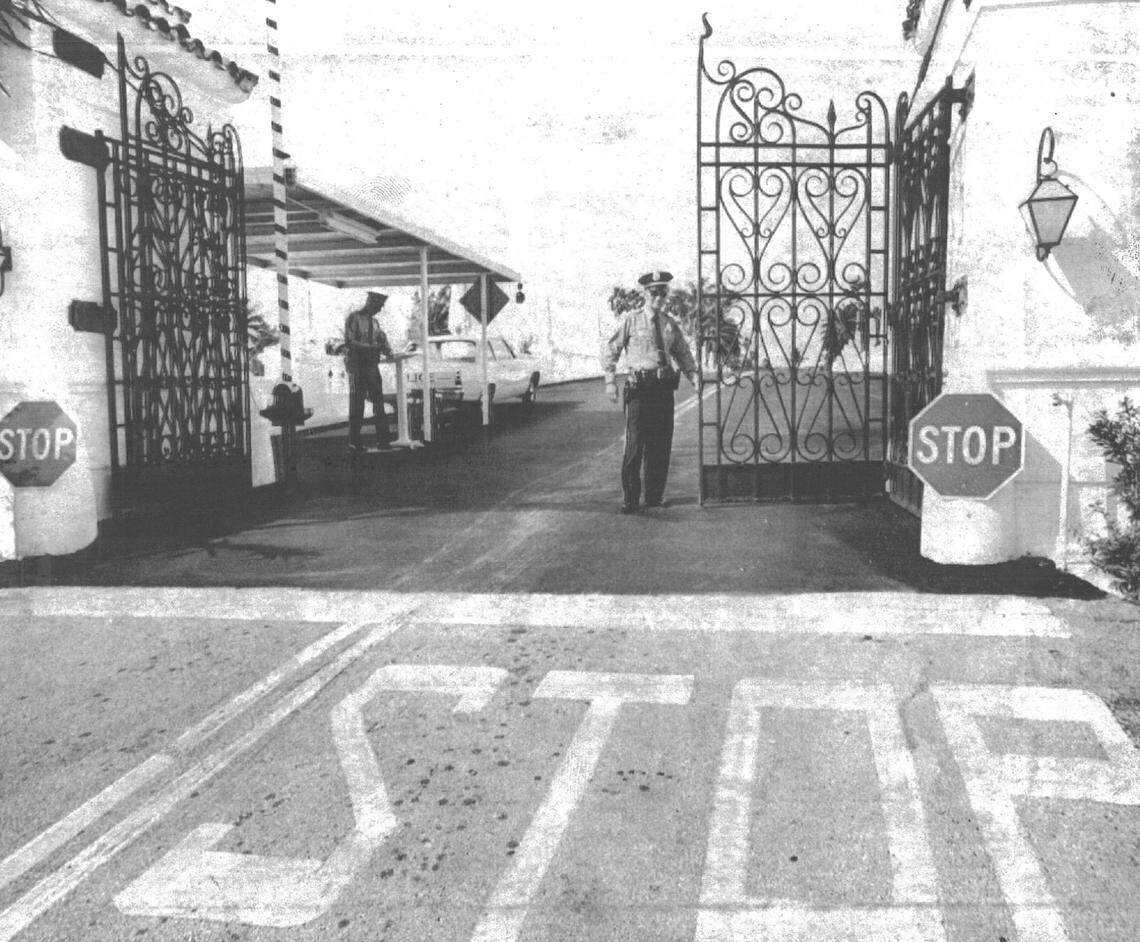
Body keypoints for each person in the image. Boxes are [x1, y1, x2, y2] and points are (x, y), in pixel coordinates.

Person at [602, 270, 698, 514]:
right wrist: (610, 381)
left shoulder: (669, 324)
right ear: (645, 294)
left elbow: (683, 352)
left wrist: (694, 376)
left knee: (661, 445)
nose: (659, 297)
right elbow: (611, 349)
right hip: (639, 390)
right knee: (635, 445)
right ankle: (631, 499)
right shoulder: (632, 321)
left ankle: (654, 496)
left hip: (662, 391)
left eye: (663, 292)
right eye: (654, 292)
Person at [344, 291, 394, 452]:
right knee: (357, 405)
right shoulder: (354, 318)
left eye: (381, 307)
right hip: (357, 366)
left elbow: (382, 341)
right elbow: (350, 342)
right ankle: (355, 442)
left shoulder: (375, 323)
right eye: (378, 306)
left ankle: (383, 440)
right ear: (370, 302)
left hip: (372, 366)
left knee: (378, 403)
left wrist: (389, 351)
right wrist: (372, 348)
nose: (379, 309)